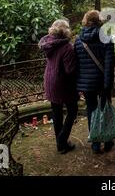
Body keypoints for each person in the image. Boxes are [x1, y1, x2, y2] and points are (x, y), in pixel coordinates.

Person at [74, 10, 115, 154]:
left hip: (87, 84)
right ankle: (108, 141)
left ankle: (95, 144)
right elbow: (110, 64)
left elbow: (77, 64)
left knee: (91, 110)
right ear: (100, 21)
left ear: (85, 20)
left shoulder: (78, 40)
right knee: (105, 110)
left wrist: (79, 83)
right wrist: (108, 84)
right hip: (102, 82)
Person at [39, 19, 77, 154]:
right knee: (73, 110)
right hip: (62, 84)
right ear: (66, 31)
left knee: (57, 113)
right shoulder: (67, 47)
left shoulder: (49, 43)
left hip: (49, 80)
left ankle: (60, 144)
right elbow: (70, 70)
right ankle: (62, 140)